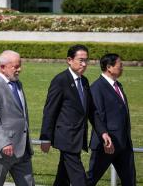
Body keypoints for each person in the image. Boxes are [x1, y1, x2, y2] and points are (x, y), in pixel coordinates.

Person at [39, 44, 114, 186]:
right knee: (79, 178)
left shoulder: (84, 81)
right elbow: (49, 111)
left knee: (63, 177)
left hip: (78, 137)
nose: (84, 64)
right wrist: (45, 138)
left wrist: (103, 132)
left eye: (86, 60)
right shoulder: (60, 80)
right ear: (69, 60)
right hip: (66, 138)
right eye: (81, 60)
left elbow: (91, 110)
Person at [0, 50, 35, 186]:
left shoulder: (17, 84)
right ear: (2, 67)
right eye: (15, 66)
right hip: (0, 151)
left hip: (22, 149)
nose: (19, 69)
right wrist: (4, 142)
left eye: (19, 65)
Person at [87, 53, 136, 186]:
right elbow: (97, 115)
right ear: (109, 67)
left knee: (130, 181)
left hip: (123, 144)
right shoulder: (97, 88)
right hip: (106, 145)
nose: (122, 67)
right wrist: (104, 137)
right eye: (120, 65)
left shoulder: (118, 85)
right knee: (90, 180)